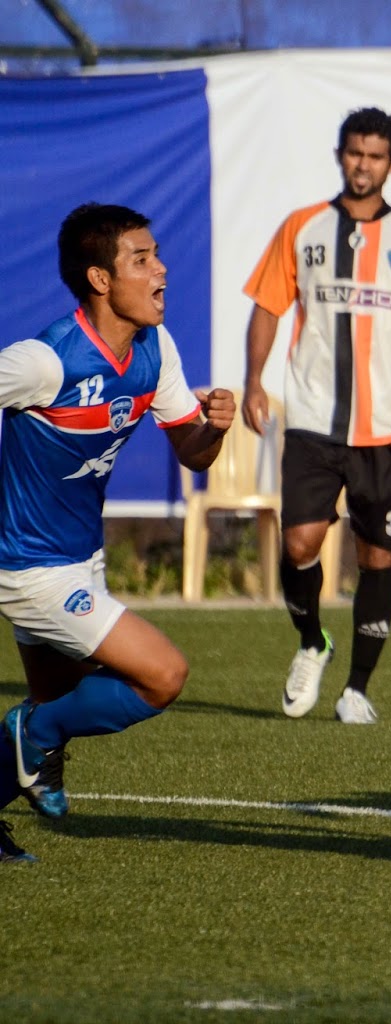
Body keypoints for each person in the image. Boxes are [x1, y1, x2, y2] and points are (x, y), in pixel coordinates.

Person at [0, 203, 236, 862]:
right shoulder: (45, 361)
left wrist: (214, 428)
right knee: (162, 675)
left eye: (157, 255)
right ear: (101, 279)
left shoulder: (155, 348)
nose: (162, 270)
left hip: (82, 557)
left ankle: (30, 743)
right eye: (142, 258)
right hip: (28, 566)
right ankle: (29, 732)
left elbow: (193, 453)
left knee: (61, 702)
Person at [242, 106, 391, 725]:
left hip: (385, 428)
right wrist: (253, 380)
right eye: (355, 153)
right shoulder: (302, 227)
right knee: (299, 543)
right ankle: (312, 641)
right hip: (313, 417)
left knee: (376, 557)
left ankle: (357, 688)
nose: (363, 165)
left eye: (375, 155)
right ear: (340, 156)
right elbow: (268, 306)